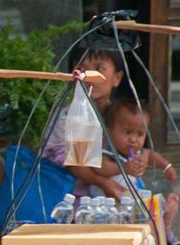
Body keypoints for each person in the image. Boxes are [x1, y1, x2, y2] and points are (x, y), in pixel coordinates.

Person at [90, 98, 180, 245]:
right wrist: (124, 168)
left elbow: (151, 154)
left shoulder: (138, 154)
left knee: (149, 209)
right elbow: (99, 168)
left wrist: (167, 167)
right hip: (111, 204)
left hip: (132, 201)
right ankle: (160, 229)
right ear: (109, 130)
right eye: (127, 132)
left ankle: (164, 225)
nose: (133, 140)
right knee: (142, 216)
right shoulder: (107, 153)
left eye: (140, 134)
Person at [42, 48, 126, 200]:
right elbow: (70, 161)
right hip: (66, 195)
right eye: (82, 69)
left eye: (99, 69)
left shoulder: (119, 117)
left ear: (117, 78)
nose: (89, 76)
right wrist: (102, 182)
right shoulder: (65, 117)